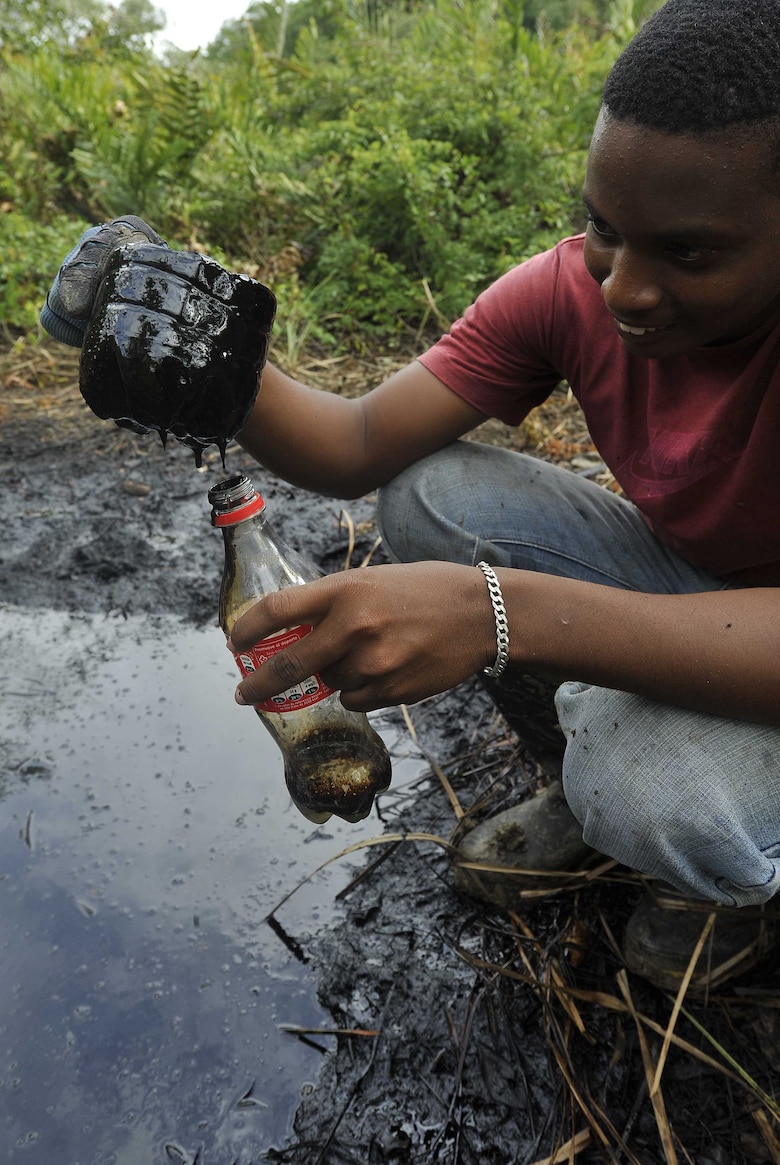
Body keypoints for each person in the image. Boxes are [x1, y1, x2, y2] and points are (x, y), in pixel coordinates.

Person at [42, 0, 780, 994]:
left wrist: (499, 614)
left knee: (652, 787)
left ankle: (733, 885)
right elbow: (355, 445)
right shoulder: (572, 291)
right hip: (700, 591)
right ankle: (580, 779)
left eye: (687, 252)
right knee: (435, 497)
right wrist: (214, 354)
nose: (624, 289)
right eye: (606, 227)